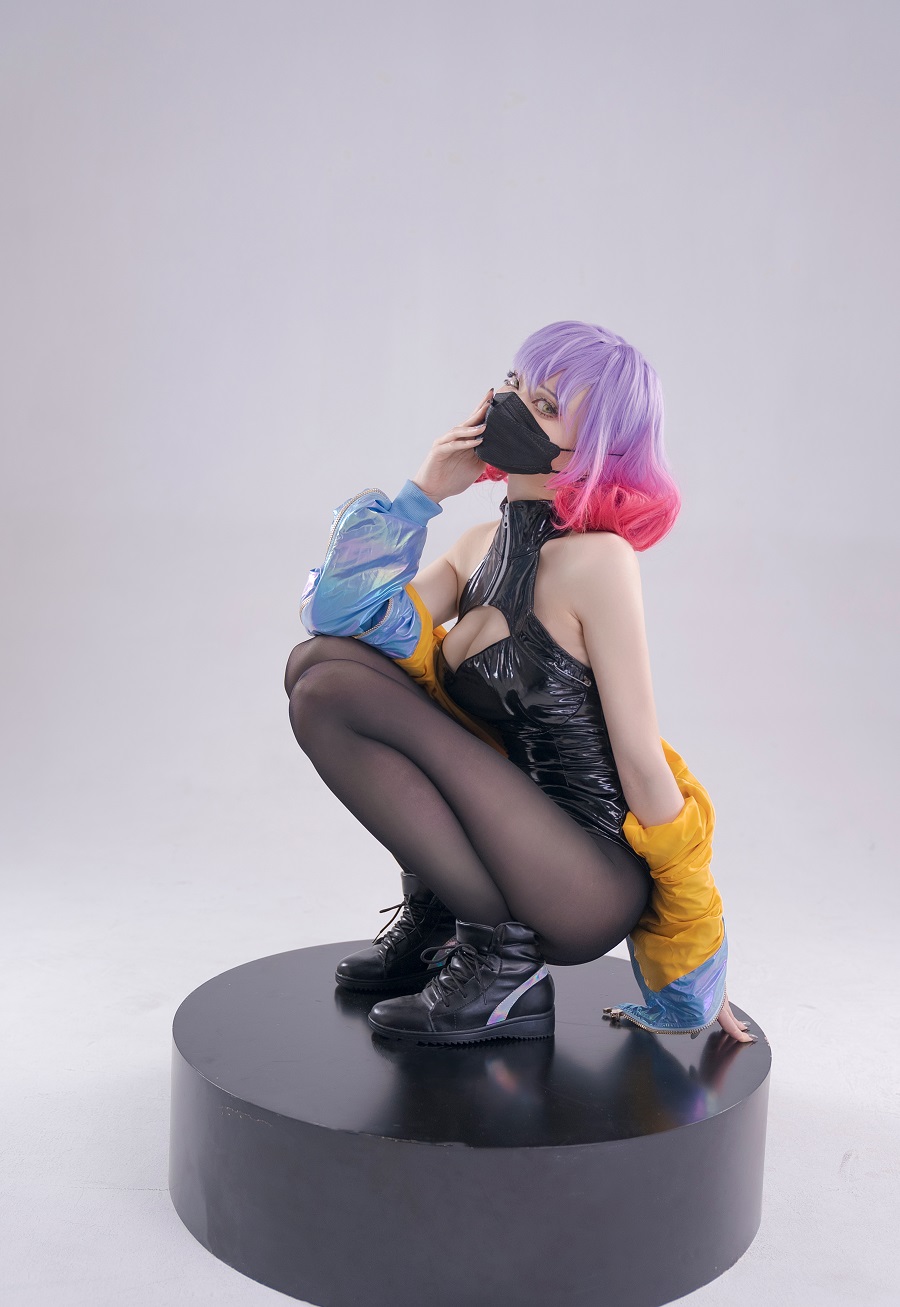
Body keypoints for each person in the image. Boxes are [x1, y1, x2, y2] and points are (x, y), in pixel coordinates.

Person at [284, 320, 755, 1047]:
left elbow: (640, 761)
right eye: (515, 385)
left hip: (584, 879)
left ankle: (503, 965)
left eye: (546, 406)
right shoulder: (477, 548)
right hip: (503, 839)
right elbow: (338, 616)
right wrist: (420, 496)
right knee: (315, 665)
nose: (509, 406)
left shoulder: (598, 562)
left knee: (330, 690)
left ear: (594, 449)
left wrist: (697, 953)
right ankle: (447, 920)